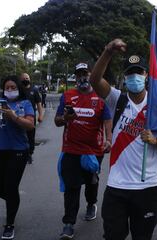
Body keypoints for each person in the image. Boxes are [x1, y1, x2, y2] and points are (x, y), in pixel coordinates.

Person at [89, 39, 157, 240]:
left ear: (146, 76)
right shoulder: (117, 99)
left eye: (139, 72)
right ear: (124, 78)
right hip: (118, 186)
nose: (135, 77)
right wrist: (108, 51)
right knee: (113, 236)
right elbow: (95, 80)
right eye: (130, 73)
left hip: (149, 186)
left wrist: (156, 140)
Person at [54, 62, 112, 240]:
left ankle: (91, 203)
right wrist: (66, 118)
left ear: (91, 75)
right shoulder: (68, 96)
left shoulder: (100, 97)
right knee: (72, 186)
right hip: (71, 149)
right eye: (79, 74)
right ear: (75, 77)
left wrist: (109, 139)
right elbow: (57, 121)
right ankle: (68, 224)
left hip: (94, 151)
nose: (83, 78)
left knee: (91, 181)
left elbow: (107, 119)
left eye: (85, 74)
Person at [0, 75, 35, 240]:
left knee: (11, 187)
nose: (10, 90)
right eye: (7, 88)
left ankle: (10, 223)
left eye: (13, 87)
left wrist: (14, 117)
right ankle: (13, 202)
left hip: (18, 151)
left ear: (19, 89)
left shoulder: (25, 103)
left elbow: (30, 125)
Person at [19, 73, 44, 164]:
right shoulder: (19, 90)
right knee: (21, 135)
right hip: (20, 117)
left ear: (29, 79)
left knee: (30, 136)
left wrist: (40, 115)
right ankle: (21, 153)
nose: (26, 79)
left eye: (27, 78)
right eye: (24, 78)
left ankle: (29, 153)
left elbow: (39, 104)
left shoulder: (34, 90)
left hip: (31, 118)